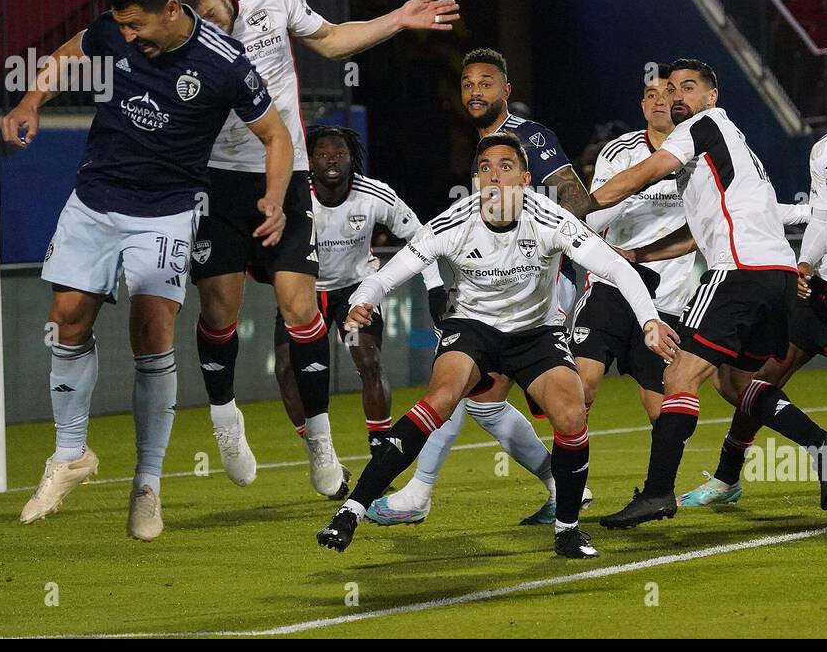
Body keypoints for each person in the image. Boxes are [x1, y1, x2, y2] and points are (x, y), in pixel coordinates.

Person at [3, 0, 292, 540]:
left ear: (171, 9)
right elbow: (70, 50)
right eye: (122, 27)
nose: (128, 38)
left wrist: (276, 199)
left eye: (137, 27)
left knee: (153, 330)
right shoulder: (116, 30)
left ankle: (147, 485)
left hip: (165, 213)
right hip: (94, 199)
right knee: (66, 320)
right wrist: (31, 100)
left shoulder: (226, 63)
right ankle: (70, 456)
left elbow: (276, 136)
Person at [168, 0, 458, 495]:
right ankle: (226, 419)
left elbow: (330, 40)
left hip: (288, 170)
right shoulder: (178, 36)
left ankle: (322, 448)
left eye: (210, 16)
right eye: (197, 25)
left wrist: (397, 18)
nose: (208, 30)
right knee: (219, 310)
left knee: (302, 309)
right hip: (220, 183)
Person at [316, 132, 678, 558]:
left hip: (536, 333)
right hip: (474, 328)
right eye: (485, 168)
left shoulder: (550, 219)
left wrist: (649, 319)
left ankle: (566, 528)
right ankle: (352, 511)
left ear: (525, 179)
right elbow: (385, 276)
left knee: (571, 413)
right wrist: (363, 299)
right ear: (475, 181)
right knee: (441, 398)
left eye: (506, 167)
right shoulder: (453, 223)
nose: (494, 176)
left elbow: (617, 267)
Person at [584, 60, 827, 529]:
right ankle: (823, 445)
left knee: (680, 377)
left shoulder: (702, 127)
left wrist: (579, 208)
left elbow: (646, 172)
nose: (676, 96)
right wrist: (637, 256)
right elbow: (693, 236)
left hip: (738, 273)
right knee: (734, 385)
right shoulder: (733, 148)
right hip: (777, 276)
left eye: (689, 87)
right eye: (670, 89)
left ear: (712, 96)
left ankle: (657, 493)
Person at [368, 48, 593, 526]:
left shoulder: (529, 137)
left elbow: (576, 195)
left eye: (486, 83)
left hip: (539, 292)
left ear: (506, 90)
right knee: (481, 399)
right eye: (468, 84)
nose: (475, 92)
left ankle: (419, 493)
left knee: (456, 387)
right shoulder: (480, 150)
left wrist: (535, 246)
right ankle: (563, 485)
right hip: (503, 292)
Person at [680, 49, 827, 510]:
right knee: (761, 378)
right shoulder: (823, 148)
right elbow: (821, 218)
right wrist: (805, 264)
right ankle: (727, 479)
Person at [269, 126, 445, 454]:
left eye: (339, 153)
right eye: (322, 154)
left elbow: (422, 237)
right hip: (303, 291)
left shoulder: (375, 196)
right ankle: (319, 453)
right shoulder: (293, 194)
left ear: (352, 158)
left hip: (354, 295)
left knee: (367, 360)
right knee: (286, 369)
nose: (331, 160)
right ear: (309, 160)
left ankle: (380, 448)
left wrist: (434, 287)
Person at [574, 69, 697, 427]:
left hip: (667, 298)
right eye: (650, 95)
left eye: (667, 93)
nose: (659, 100)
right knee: (583, 383)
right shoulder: (619, 151)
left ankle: (662, 484)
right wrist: (632, 185)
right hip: (611, 288)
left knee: (663, 409)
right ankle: (568, 480)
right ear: (643, 105)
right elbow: (592, 219)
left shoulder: (701, 154)